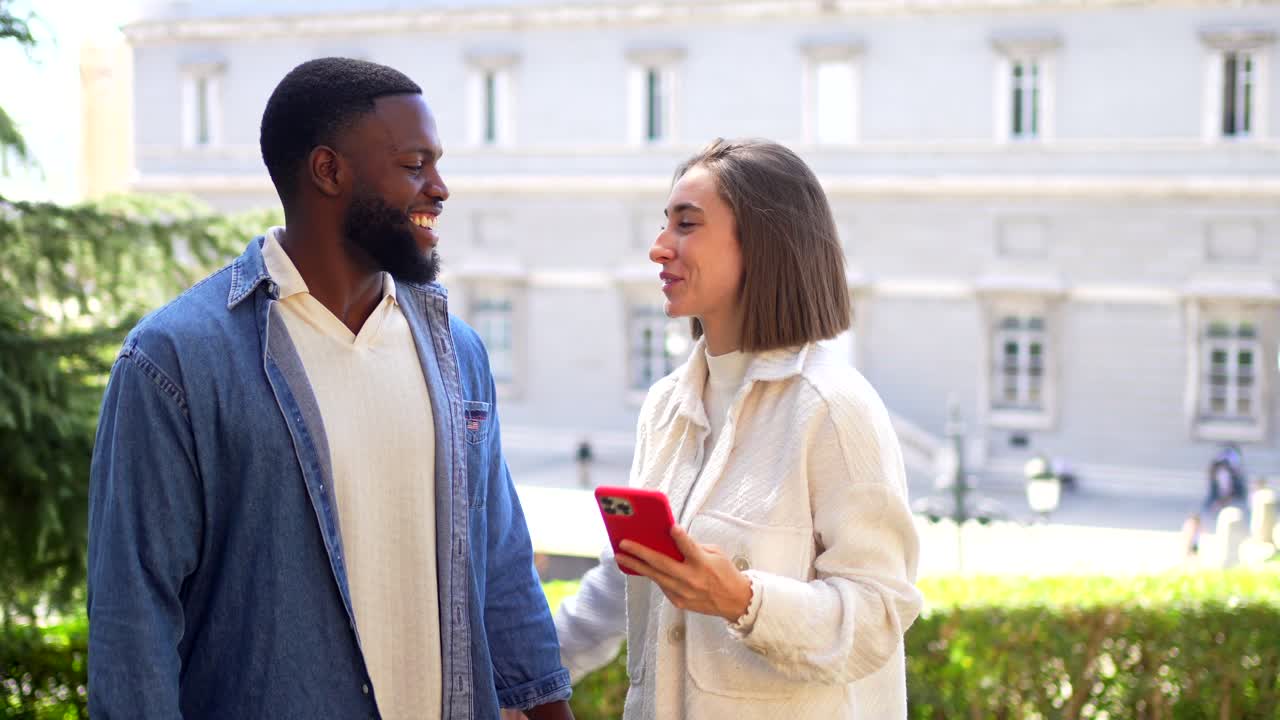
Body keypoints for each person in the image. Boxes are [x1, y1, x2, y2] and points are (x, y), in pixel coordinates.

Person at [87, 58, 573, 720]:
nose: (440, 188)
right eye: (414, 164)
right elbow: (131, 617)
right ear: (329, 170)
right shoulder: (174, 362)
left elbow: (505, 568)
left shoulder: (458, 351)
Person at [554, 139, 923, 718]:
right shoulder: (665, 407)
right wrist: (514, 679)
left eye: (687, 224)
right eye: (664, 224)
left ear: (761, 241)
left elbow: (878, 615)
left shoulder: (833, 406)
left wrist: (741, 599)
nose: (658, 248)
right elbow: (621, 582)